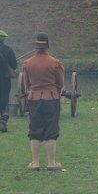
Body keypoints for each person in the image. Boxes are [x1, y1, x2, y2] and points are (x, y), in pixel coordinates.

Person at [20, 34, 65, 171]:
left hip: (34, 99)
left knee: (35, 129)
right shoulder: (55, 63)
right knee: (51, 129)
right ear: (47, 46)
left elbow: (26, 84)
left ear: (36, 46)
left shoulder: (27, 63)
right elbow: (60, 84)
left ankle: (35, 163)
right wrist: (55, 91)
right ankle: (51, 163)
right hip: (51, 98)